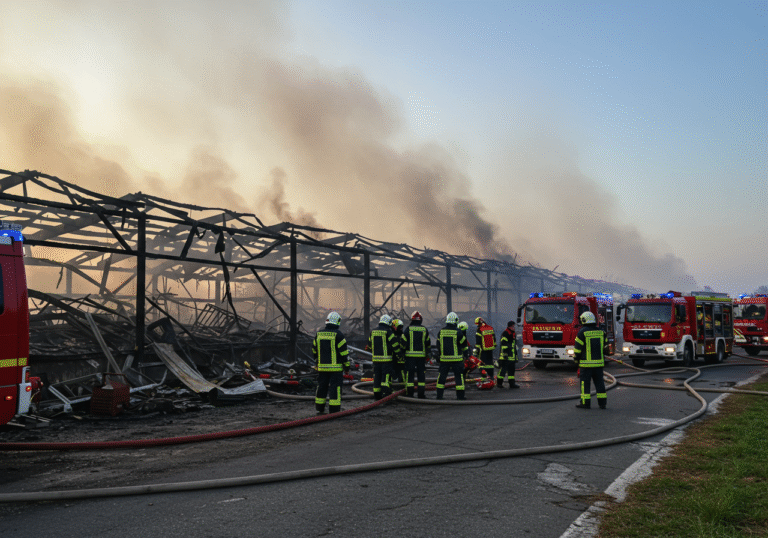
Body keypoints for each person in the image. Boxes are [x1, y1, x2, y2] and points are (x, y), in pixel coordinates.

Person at [312, 311, 350, 414]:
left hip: (322, 368)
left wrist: (317, 362)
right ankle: (334, 410)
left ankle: (319, 408)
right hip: (335, 369)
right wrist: (347, 367)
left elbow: (314, 350)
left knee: (321, 387)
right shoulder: (339, 335)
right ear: (337, 322)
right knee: (335, 389)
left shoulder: (319, 334)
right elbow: (344, 353)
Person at [573, 311, 607, 409]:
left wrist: (576, 360)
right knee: (600, 384)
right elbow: (606, 349)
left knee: (585, 385)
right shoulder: (601, 332)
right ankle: (602, 403)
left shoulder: (582, 332)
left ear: (583, 320)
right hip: (599, 365)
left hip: (586, 365)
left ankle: (585, 403)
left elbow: (577, 350)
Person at [436, 312, 468, 400]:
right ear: (456, 321)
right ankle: (460, 397)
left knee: (442, 377)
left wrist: (440, 355)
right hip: (457, 360)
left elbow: (438, 345)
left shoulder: (441, 332)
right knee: (458, 378)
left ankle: (439, 396)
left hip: (444, 360)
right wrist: (466, 356)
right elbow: (464, 346)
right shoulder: (458, 332)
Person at [369, 314, 401, 400]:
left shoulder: (373, 331)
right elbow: (395, 345)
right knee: (385, 377)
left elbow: (369, 345)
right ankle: (387, 394)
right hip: (386, 360)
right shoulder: (388, 332)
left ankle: (377, 395)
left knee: (377, 377)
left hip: (375, 360)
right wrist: (399, 355)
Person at [402, 311, 431, 398]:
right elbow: (428, 344)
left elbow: (403, 343)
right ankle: (421, 394)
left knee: (410, 375)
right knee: (421, 375)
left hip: (410, 357)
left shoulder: (408, 329)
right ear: (420, 320)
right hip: (421, 357)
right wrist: (428, 355)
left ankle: (410, 394)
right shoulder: (424, 329)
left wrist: (402, 354)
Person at [474, 317, 497, 386]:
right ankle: (491, 376)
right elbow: (494, 338)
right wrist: (494, 346)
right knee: (490, 364)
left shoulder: (479, 330)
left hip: (483, 350)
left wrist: (477, 351)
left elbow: (478, 341)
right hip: (490, 349)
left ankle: (484, 377)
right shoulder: (490, 328)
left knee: (482, 364)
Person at [498, 320, 519, 388]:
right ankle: (499, 383)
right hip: (505, 357)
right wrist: (505, 355)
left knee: (511, 371)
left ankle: (512, 384)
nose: (514, 327)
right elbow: (503, 344)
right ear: (510, 326)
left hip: (511, 357)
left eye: (514, 326)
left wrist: (515, 357)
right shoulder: (506, 333)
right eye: (513, 326)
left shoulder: (513, 334)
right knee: (503, 371)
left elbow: (513, 346)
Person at [391, 318, 406, 385]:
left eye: (401, 327)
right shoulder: (391, 336)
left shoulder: (402, 336)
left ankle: (402, 387)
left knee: (402, 374)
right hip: (393, 359)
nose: (400, 329)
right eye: (399, 327)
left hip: (400, 359)